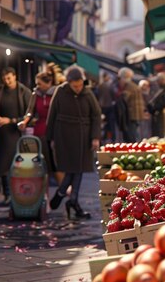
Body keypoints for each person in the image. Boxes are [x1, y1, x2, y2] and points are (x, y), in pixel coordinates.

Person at [46, 65, 101, 220]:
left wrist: (95, 137)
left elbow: (96, 115)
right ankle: (71, 200)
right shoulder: (60, 91)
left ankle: (65, 194)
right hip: (63, 135)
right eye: (75, 86)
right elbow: (52, 113)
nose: (78, 88)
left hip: (83, 135)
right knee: (72, 168)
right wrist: (49, 137)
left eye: (80, 85)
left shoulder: (88, 93)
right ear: (69, 83)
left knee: (78, 168)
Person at [0, 67, 32, 205]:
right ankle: (7, 194)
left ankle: (17, 193)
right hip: (2, 133)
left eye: (9, 78)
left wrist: (12, 120)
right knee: (2, 165)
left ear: (15, 76)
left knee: (17, 164)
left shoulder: (24, 91)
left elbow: (29, 114)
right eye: (5, 79)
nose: (7, 81)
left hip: (17, 133)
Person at [17, 70, 62, 185]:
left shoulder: (57, 93)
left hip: (55, 129)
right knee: (42, 158)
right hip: (40, 129)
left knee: (56, 159)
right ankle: (43, 182)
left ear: (49, 83)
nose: (38, 86)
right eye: (37, 83)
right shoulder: (35, 94)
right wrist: (25, 122)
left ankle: (62, 186)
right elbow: (30, 111)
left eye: (40, 84)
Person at [115, 67, 145, 143]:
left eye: (119, 78)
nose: (119, 80)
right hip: (136, 115)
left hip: (130, 116)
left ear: (123, 77)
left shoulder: (129, 87)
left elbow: (123, 99)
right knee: (134, 136)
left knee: (130, 138)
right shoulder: (134, 86)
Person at [148, 72, 165, 137]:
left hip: (164, 117)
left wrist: (152, 108)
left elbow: (162, 103)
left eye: (158, 81)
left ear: (161, 80)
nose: (157, 82)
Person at [96, 72, 116, 142]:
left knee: (103, 124)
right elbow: (114, 94)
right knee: (110, 124)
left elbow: (97, 95)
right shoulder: (109, 85)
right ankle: (112, 139)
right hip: (109, 107)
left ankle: (104, 138)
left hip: (102, 107)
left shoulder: (99, 86)